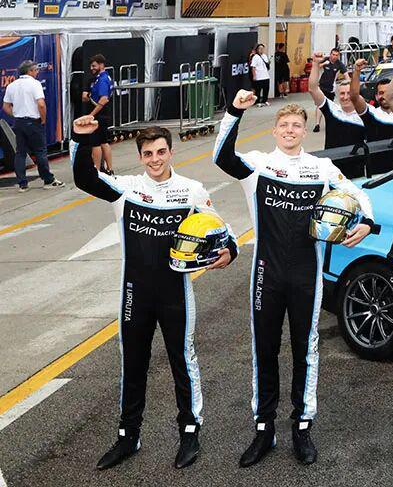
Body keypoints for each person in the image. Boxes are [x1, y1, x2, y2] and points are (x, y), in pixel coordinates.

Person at [214, 94, 374, 467]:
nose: (290, 130)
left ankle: (302, 426)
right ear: (274, 131)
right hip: (266, 274)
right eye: (284, 125)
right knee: (265, 350)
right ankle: (264, 429)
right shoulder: (258, 165)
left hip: (306, 274)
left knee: (306, 350)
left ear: (305, 131)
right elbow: (221, 156)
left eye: (297, 125)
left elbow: (357, 195)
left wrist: (367, 221)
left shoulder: (321, 168)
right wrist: (235, 112)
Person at [71, 119, 238, 470]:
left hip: (175, 292)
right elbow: (84, 178)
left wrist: (231, 250)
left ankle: (189, 433)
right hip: (135, 295)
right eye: (148, 154)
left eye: (161, 152)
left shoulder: (191, 190)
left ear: (171, 152)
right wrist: (81, 139)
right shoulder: (126, 189)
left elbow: (220, 227)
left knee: (183, 362)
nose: (155, 159)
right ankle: (128, 437)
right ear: (140, 157)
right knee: (133, 365)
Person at [2, 60, 64, 192]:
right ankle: (48, 180)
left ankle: (22, 184)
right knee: (40, 151)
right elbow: (41, 104)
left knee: (20, 153)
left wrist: (17, 115)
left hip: (19, 122)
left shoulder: (11, 86)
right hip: (33, 122)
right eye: (36, 70)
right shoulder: (35, 84)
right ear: (29, 71)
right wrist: (43, 119)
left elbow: (6, 107)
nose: (37, 72)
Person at [307, 53, 370, 149]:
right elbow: (313, 89)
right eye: (342, 93)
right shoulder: (332, 110)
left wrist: (357, 72)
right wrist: (315, 64)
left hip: (358, 157)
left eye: (349, 93)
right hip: (332, 157)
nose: (345, 97)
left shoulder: (366, 114)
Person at [82, 54, 115, 174]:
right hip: (102, 115)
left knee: (96, 143)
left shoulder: (102, 80)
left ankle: (96, 171)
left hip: (100, 116)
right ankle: (109, 169)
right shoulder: (102, 78)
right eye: (91, 66)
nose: (92, 68)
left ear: (101, 65)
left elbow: (104, 99)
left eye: (94, 66)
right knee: (103, 142)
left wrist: (92, 114)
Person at [313, 48, 349, 133]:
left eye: (336, 55)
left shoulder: (339, 64)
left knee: (329, 107)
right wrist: (323, 64)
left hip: (331, 89)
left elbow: (346, 76)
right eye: (333, 54)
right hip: (321, 87)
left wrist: (348, 85)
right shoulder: (324, 60)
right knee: (319, 105)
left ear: (338, 56)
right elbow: (315, 67)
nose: (334, 56)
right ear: (330, 54)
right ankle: (317, 124)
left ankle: (329, 123)